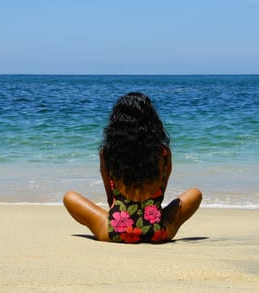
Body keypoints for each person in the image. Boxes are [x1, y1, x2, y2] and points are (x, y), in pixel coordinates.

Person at [63, 92, 202, 243]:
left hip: (115, 231)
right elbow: (160, 194)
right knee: (195, 193)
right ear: (152, 121)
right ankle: (155, 226)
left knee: (69, 197)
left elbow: (111, 199)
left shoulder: (108, 153)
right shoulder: (163, 153)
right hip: (158, 231)